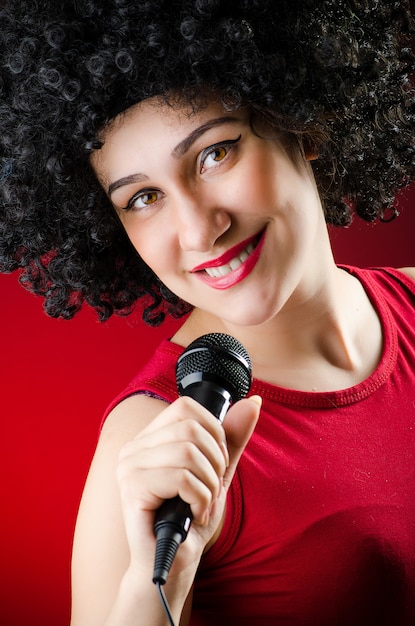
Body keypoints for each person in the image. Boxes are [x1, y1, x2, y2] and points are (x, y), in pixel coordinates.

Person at [1, 1, 415, 624]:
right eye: (143, 197)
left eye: (215, 153)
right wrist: (151, 584)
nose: (199, 230)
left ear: (301, 122)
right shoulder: (149, 442)